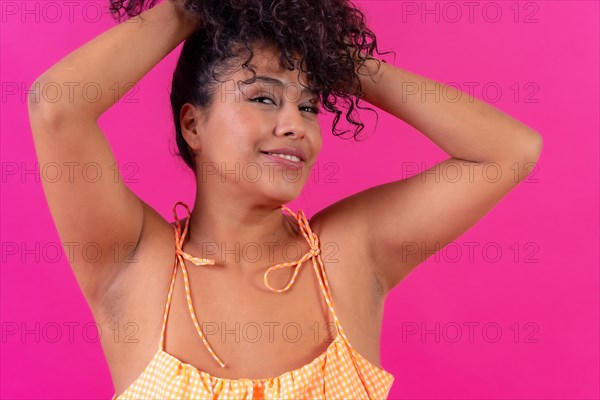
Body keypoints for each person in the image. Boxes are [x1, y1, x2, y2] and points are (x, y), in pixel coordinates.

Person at [27, 0, 543, 398]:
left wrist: (340, 62)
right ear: (192, 123)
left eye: (310, 104)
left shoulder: (347, 255)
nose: (296, 125)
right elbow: (56, 107)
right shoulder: (134, 262)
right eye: (263, 97)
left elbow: (509, 151)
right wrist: (196, 5)